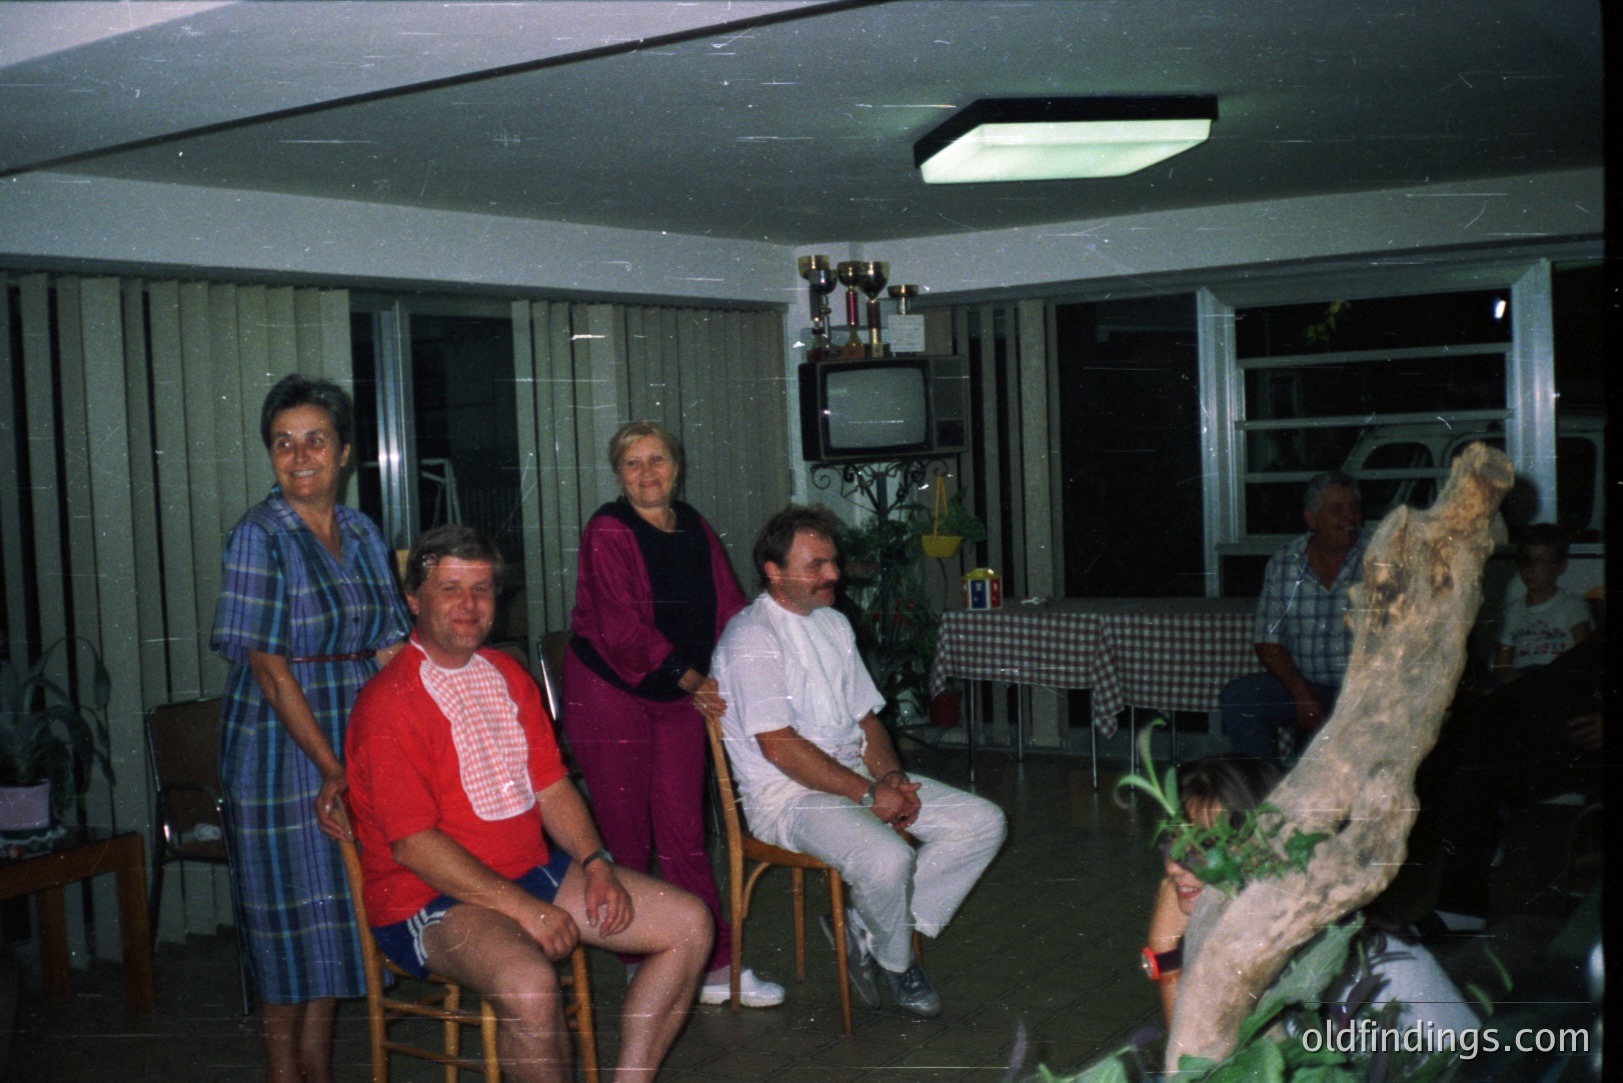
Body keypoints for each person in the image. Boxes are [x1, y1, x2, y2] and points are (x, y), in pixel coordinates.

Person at [345, 526, 711, 1082]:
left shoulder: (509, 674)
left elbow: (552, 786)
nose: (469, 605)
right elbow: (414, 846)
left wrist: (596, 862)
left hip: (530, 871)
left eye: (482, 589)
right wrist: (523, 910)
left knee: (688, 924)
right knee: (530, 984)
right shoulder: (388, 703)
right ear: (414, 601)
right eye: (450, 589)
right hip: (429, 897)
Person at [711, 505, 1007, 1018]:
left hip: (855, 776)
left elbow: (868, 722)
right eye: (816, 565)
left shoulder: (832, 622)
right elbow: (780, 747)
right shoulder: (751, 638)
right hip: (787, 797)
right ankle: (898, 963)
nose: (833, 575)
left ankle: (865, 928)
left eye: (833, 562)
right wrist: (871, 794)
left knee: (983, 823)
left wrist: (890, 774)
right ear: (773, 572)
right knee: (888, 858)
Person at [210, 373, 410, 1082]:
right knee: (284, 927)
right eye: (282, 442)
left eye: (314, 439)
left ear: (345, 451)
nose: (298, 455)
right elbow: (267, 668)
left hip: (351, 731)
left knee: (331, 925)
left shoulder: (360, 531)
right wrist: (332, 769)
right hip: (278, 750)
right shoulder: (257, 536)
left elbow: (389, 646)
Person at [562, 421, 781, 1007]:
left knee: (685, 830)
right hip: (611, 693)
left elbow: (729, 608)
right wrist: (694, 679)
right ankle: (639, 958)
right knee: (626, 834)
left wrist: (750, 659)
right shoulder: (608, 529)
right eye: (633, 464)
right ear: (618, 473)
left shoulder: (694, 526)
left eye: (656, 460)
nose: (647, 473)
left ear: (675, 467)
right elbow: (622, 629)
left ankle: (715, 966)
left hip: (678, 694)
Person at [1146, 757, 1478, 1037]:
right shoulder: (1243, 920)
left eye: (1204, 846)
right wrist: (1166, 949)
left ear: (1263, 852)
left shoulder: (1326, 952)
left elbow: (1199, 1067)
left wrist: (1164, 954)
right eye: (1172, 842)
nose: (1175, 866)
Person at [1220, 472, 1367, 764]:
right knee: (1242, 697)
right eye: (1337, 508)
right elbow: (1267, 640)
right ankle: (1262, 797)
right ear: (1311, 519)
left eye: (1354, 507)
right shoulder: (1286, 561)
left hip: (1366, 691)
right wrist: (1303, 695)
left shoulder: (1381, 558)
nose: (1350, 516)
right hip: (1307, 685)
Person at [1491, 522, 1592, 684]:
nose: (1531, 568)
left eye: (1540, 561)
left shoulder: (1573, 606)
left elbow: (1584, 655)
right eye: (1526, 560)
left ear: (1560, 567)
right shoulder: (1512, 611)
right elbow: (1501, 664)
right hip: (1521, 678)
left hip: (1557, 677)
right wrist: (1513, 679)